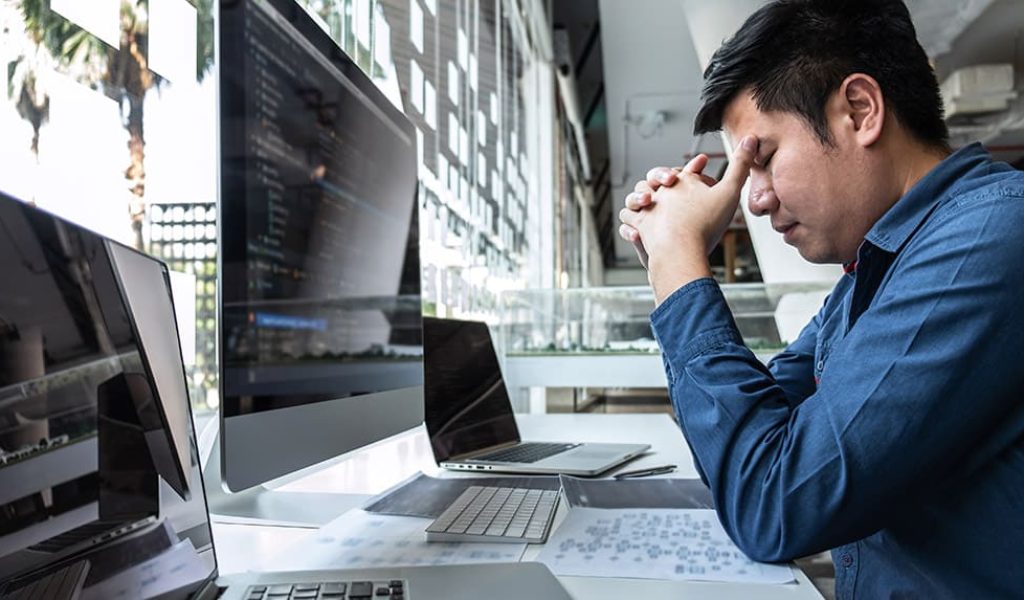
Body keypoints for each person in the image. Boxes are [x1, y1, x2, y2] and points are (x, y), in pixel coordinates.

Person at [617, 0, 1024, 597]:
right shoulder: (875, 267)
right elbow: (761, 438)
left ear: (859, 111)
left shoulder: (990, 236)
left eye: (765, 159)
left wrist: (680, 260)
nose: (753, 201)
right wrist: (669, 260)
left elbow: (774, 503)